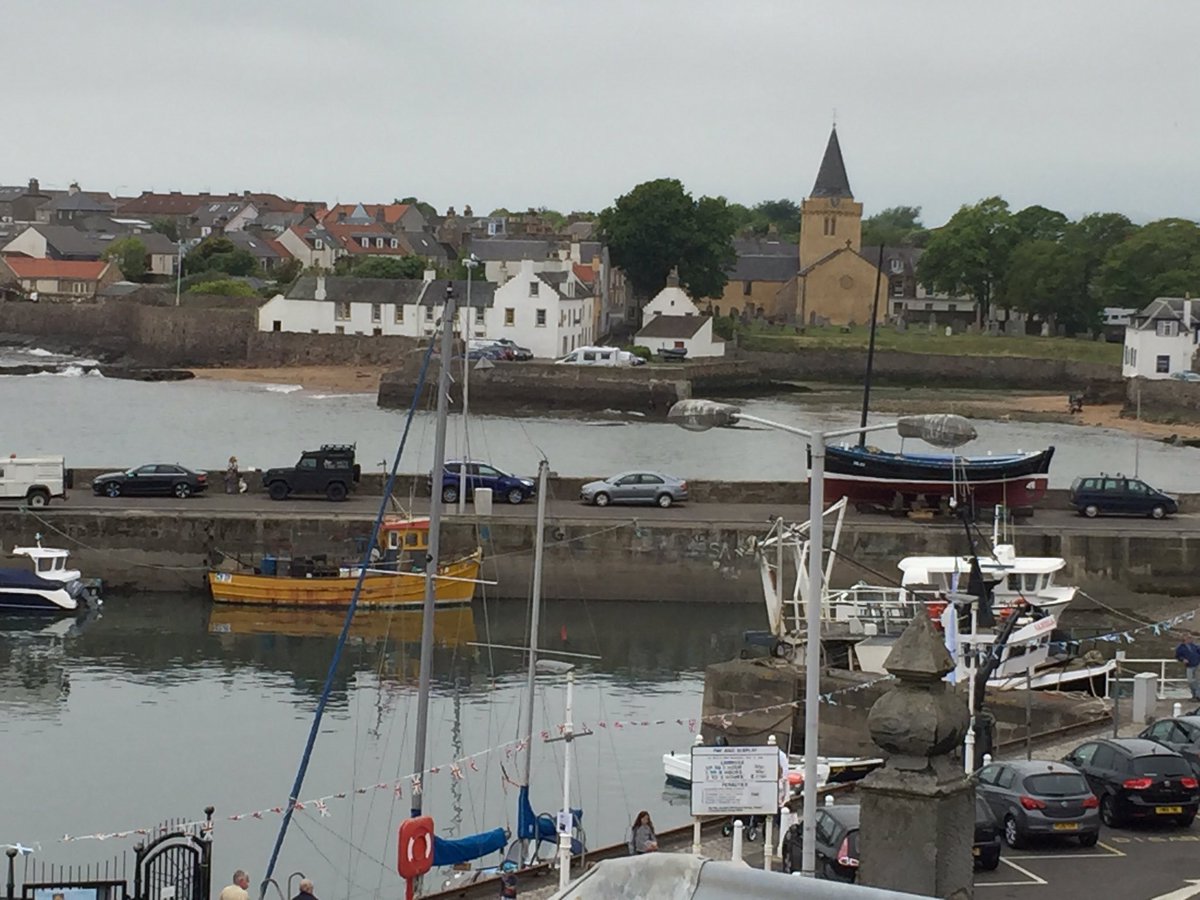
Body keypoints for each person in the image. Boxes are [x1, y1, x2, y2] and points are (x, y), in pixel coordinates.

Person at [1177, 634, 1200, 700]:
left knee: (1197, 680)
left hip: (1197, 664)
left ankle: (1198, 696)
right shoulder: (1180, 648)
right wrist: (1183, 659)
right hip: (1189, 665)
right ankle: (1194, 694)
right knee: (1190, 681)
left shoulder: (1194, 646)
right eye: (1189, 638)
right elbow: (1178, 656)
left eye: (1190, 638)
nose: (1190, 639)